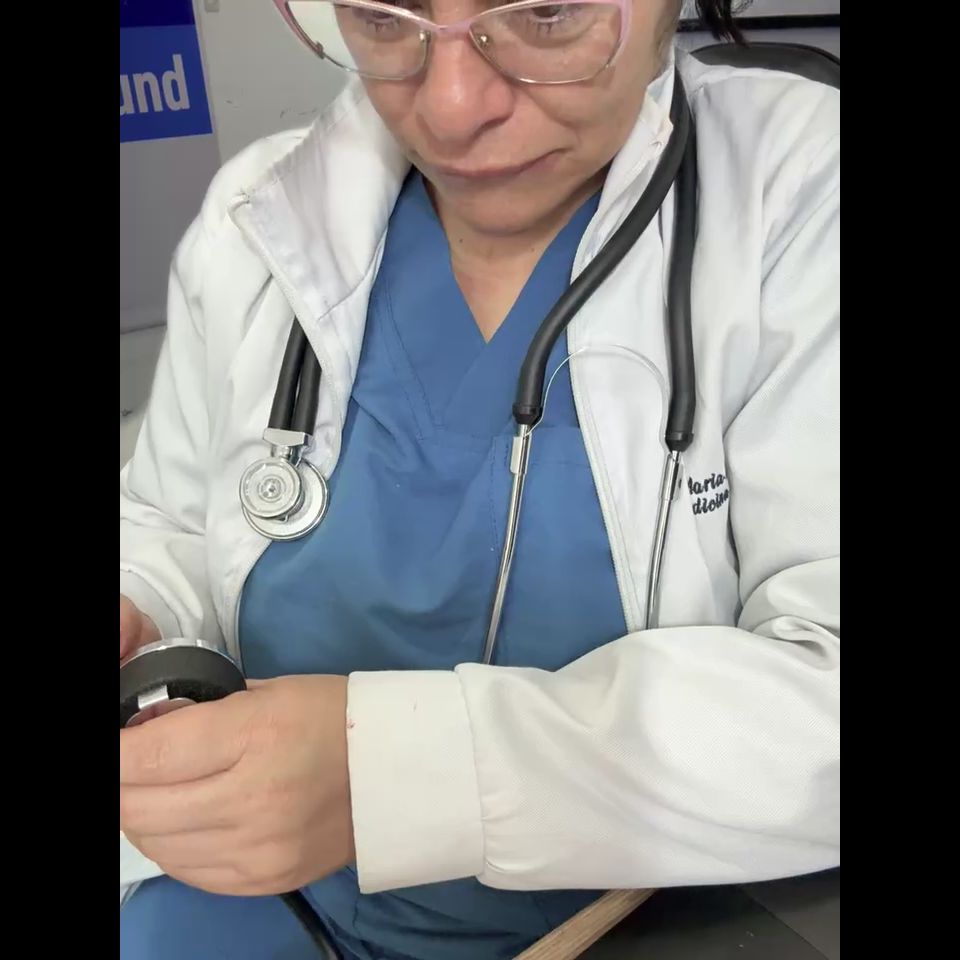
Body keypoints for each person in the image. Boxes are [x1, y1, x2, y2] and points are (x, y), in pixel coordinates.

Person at [119, 1, 840, 957]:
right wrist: (143, 605)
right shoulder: (258, 210)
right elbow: (170, 520)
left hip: (650, 920)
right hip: (251, 899)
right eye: (384, 16)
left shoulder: (803, 194)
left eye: (547, 12)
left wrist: (395, 778)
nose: (452, 108)